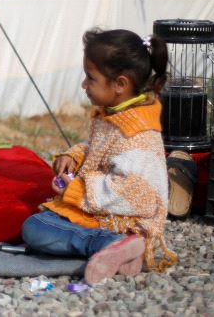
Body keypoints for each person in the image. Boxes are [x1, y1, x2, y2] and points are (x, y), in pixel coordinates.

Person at [21, 28, 177, 284]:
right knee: (41, 221)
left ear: (120, 84)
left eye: (90, 78)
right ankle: (123, 255)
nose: (84, 84)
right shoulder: (114, 114)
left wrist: (78, 190)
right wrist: (74, 157)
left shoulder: (138, 133)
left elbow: (136, 193)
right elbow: (99, 151)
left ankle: (115, 244)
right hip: (104, 210)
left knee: (36, 228)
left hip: (127, 220)